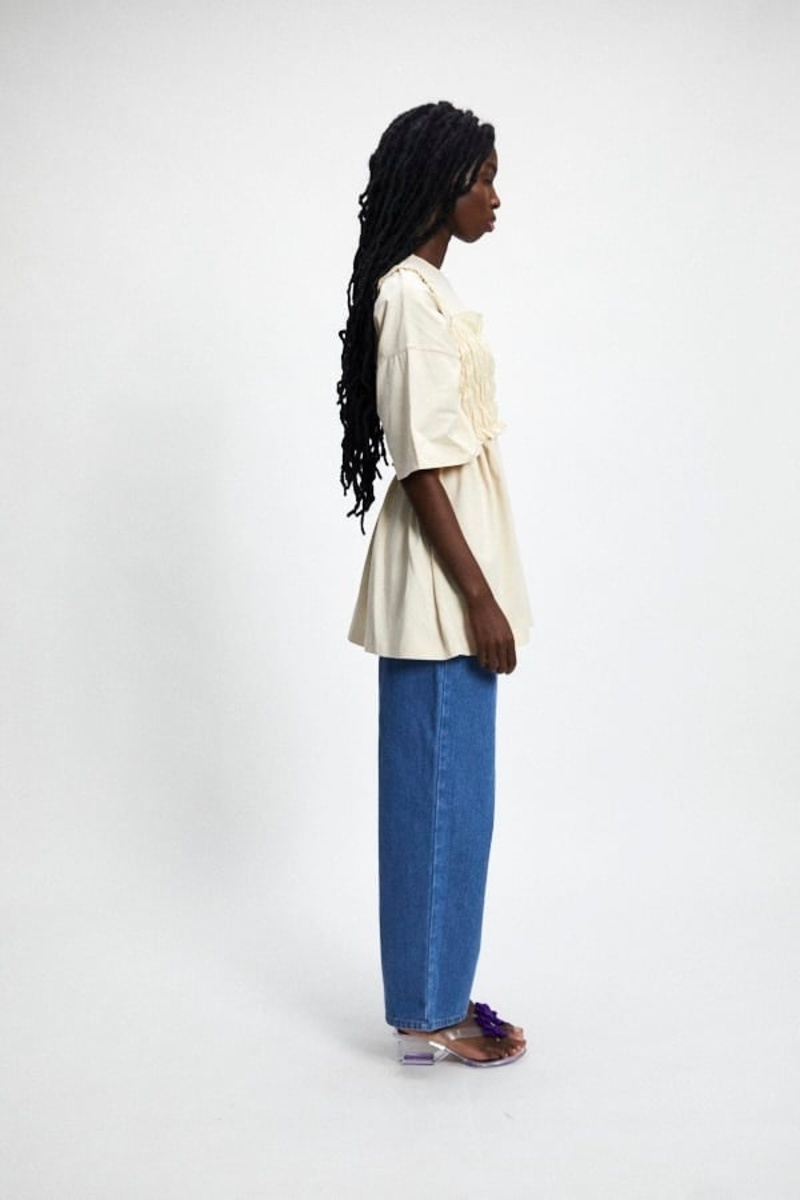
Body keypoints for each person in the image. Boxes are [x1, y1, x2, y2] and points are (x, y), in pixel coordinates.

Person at [337, 101, 531, 1067]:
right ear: (442, 179)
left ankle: (435, 991)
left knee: (449, 798)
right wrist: (481, 598)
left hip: (452, 584)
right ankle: (429, 1012)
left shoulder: (427, 292)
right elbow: (420, 467)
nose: (495, 196)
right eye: (483, 177)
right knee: (442, 799)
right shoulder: (410, 301)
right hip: (445, 592)